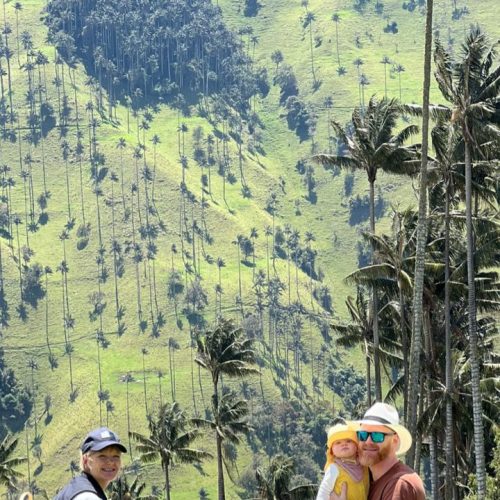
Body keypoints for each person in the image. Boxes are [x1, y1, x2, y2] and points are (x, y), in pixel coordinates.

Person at [54, 427, 127, 500]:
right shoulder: (87, 496)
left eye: (116, 456)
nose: (110, 462)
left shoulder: (77, 487)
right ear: (85, 460)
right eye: (102, 456)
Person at [316, 422, 369, 500]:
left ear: (356, 446)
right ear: (332, 451)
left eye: (348, 441)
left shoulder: (364, 464)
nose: (344, 444)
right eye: (338, 443)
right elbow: (323, 492)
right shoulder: (334, 468)